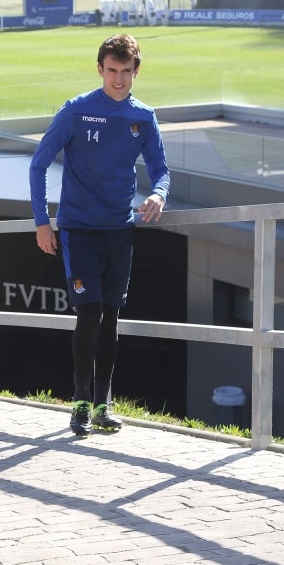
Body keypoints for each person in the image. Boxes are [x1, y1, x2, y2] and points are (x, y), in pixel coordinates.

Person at [28, 34, 170, 438]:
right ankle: (80, 404)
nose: (119, 79)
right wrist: (42, 221)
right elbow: (39, 164)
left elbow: (161, 170)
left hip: (120, 231)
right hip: (78, 230)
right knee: (89, 312)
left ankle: (104, 405)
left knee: (110, 317)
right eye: (112, 70)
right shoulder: (77, 110)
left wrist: (158, 195)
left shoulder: (144, 117)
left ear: (136, 71)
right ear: (100, 69)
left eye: (127, 72)